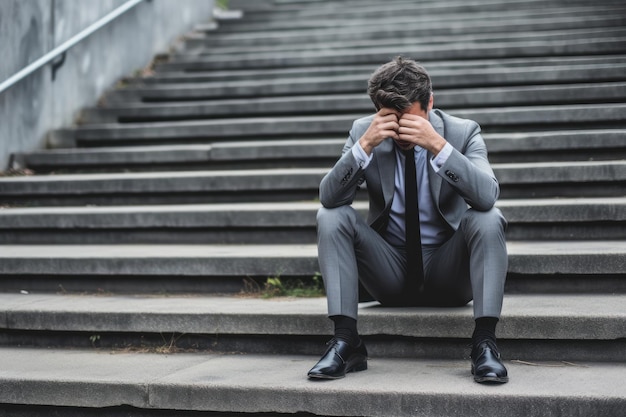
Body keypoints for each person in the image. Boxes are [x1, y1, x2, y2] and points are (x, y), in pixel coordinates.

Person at [307, 57, 509, 384]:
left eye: (411, 120)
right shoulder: (364, 132)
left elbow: (487, 196)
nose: (401, 131)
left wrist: (438, 146)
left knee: (489, 218)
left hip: (448, 269)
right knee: (331, 215)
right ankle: (346, 341)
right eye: (392, 120)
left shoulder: (462, 131)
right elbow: (330, 198)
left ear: (430, 102)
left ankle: (485, 344)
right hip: (389, 270)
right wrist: (365, 146)